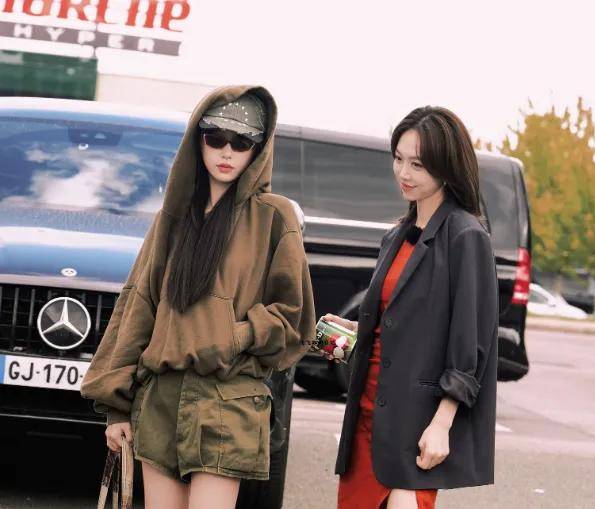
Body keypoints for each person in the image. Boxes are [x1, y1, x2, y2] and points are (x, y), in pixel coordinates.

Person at [81, 85, 316, 509]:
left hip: (229, 399)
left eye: (242, 141)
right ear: (198, 139)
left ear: (259, 149)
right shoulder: (173, 218)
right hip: (162, 399)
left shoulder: (275, 217)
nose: (227, 151)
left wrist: (234, 336)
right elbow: (138, 308)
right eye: (216, 137)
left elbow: (294, 319)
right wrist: (117, 408)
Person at [327, 106, 499, 509]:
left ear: (446, 166)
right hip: (367, 416)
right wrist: (355, 334)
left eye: (417, 164)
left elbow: (469, 346)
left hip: (415, 424)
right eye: (399, 159)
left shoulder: (466, 236)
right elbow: (404, 323)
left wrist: (442, 424)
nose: (403, 173)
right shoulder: (396, 236)